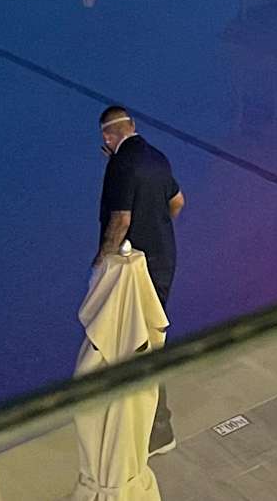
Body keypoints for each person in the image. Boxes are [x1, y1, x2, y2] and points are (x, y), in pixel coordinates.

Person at [96, 105, 184, 454]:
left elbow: (120, 220)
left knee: (137, 344)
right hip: (164, 260)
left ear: (107, 136)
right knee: (147, 339)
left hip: (137, 271)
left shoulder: (121, 165)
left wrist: (102, 260)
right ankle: (149, 421)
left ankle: (157, 427)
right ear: (132, 126)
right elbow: (178, 202)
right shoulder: (157, 157)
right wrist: (155, 226)